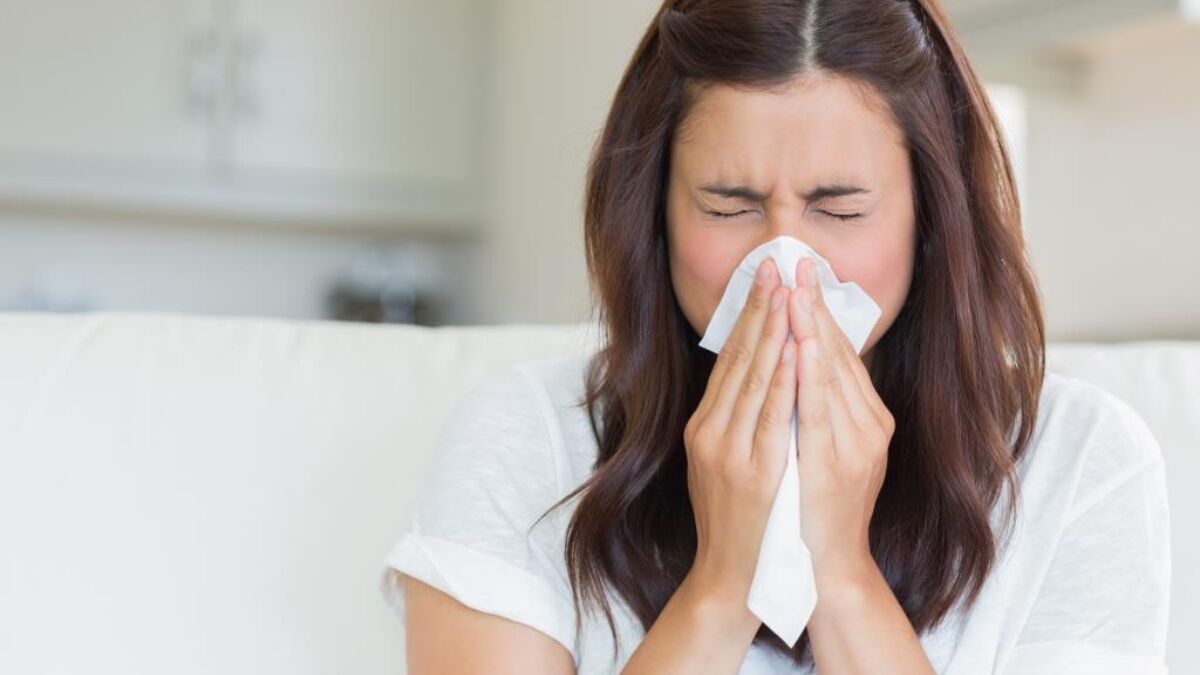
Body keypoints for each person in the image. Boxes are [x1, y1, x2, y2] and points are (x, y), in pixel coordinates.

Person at [378, 0, 1172, 673]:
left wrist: (842, 574)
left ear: (931, 217)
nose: (784, 266)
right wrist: (723, 583)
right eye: (729, 206)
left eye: (841, 209)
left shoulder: (1079, 459)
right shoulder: (524, 439)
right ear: (654, 215)